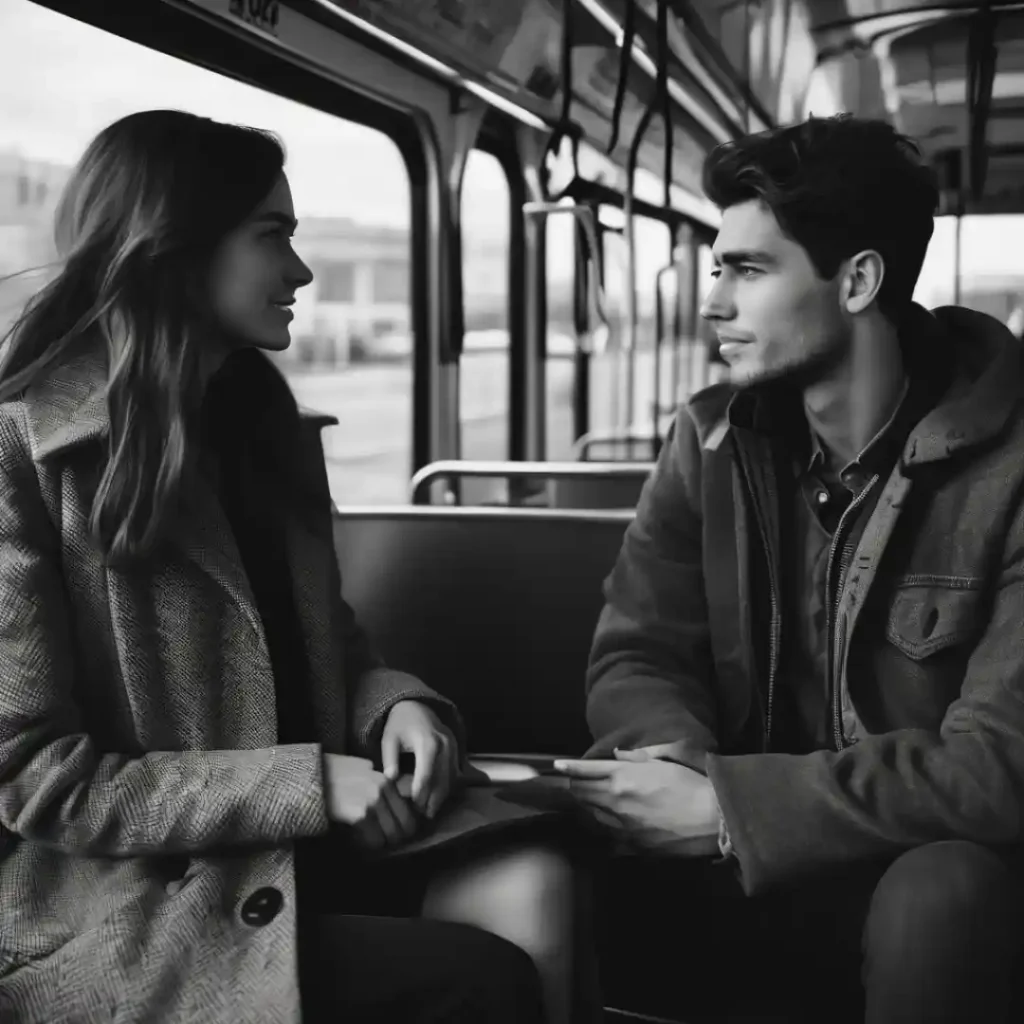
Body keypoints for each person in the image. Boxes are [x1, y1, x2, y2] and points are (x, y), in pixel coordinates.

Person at [0, 110, 585, 1024]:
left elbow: (320, 645)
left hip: (301, 843)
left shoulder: (262, 431)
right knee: (480, 980)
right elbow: (38, 780)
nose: (301, 272)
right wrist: (305, 786)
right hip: (134, 899)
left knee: (537, 875)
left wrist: (393, 703)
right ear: (174, 246)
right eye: (274, 236)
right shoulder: (30, 457)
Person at [554, 114, 1024, 1023]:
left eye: (748, 270)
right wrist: (679, 761)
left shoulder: (1010, 467)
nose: (712, 301)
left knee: (942, 893)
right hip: (733, 856)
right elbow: (639, 654)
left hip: (929, 865)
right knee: (537, 857)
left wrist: (733, 809)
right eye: (716, 265)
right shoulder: (710, 438)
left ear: (858, 281)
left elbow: (1001, 766)